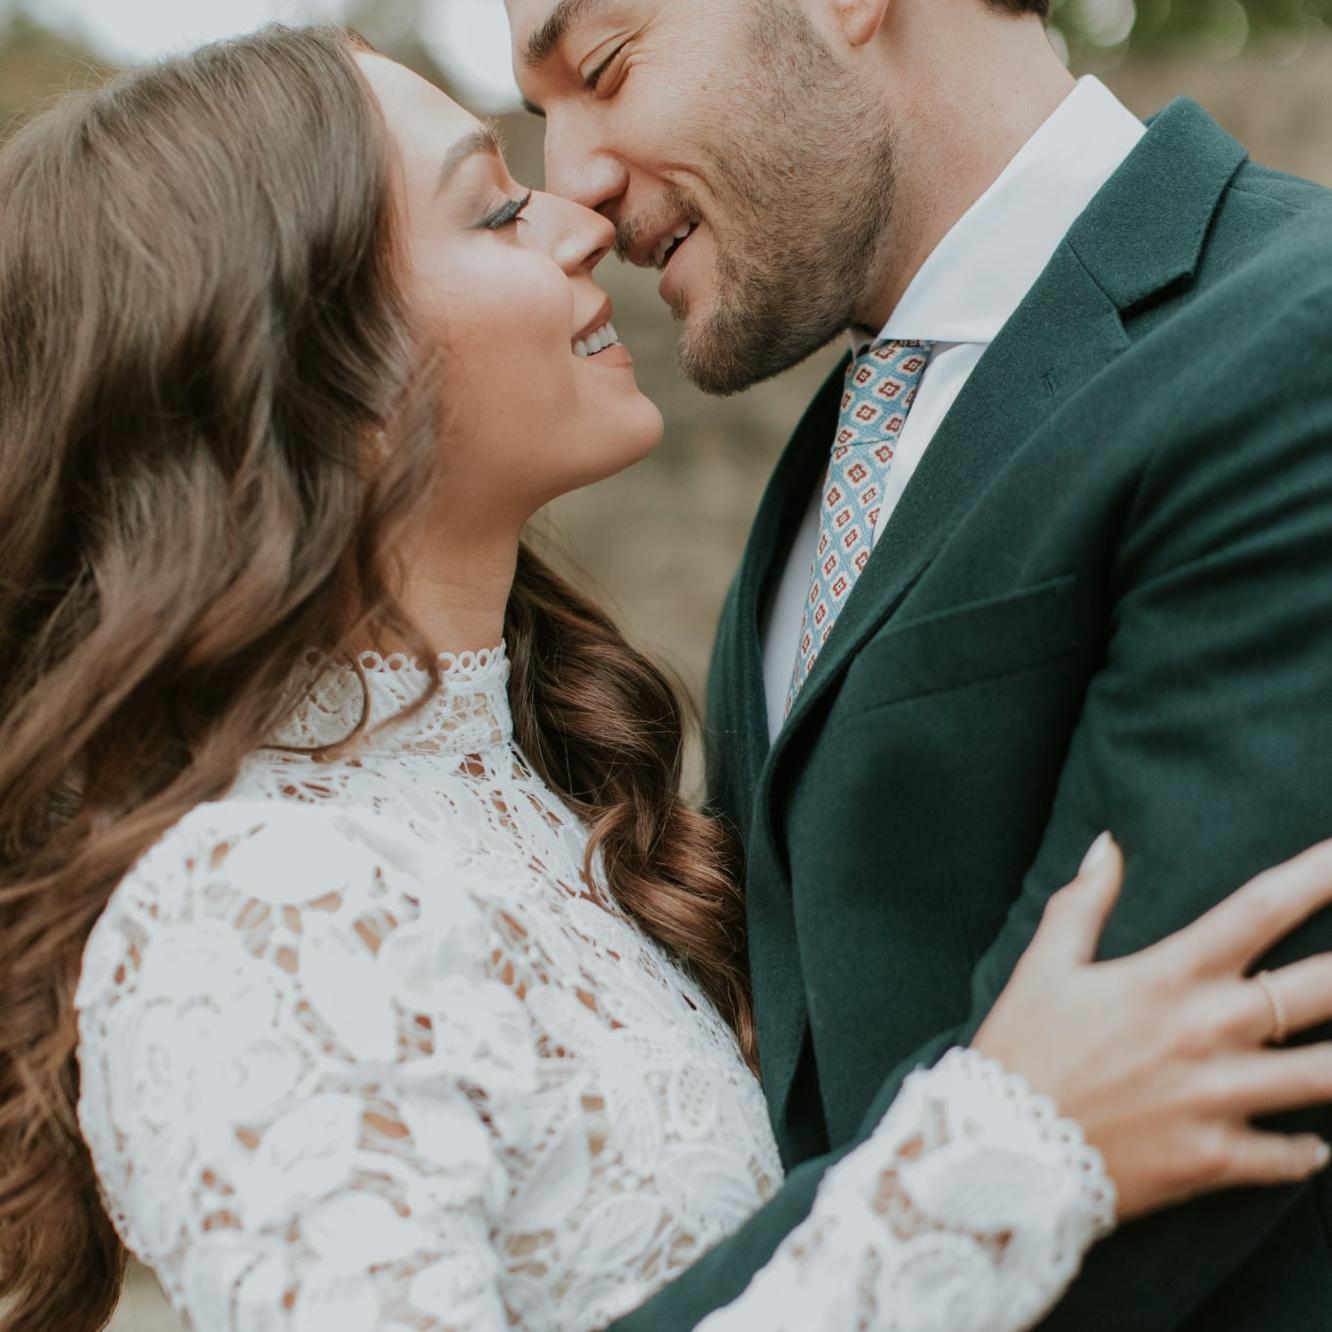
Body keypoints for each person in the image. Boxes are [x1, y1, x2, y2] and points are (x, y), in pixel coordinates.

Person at [0, 23, 1330, 1332]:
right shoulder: (259, 903)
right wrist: (1005, 1160)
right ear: (292, 369)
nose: (573, 204)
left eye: (607, 68)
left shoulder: (571, 801)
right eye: (494, 208)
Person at [503, 0, 1332, 1327]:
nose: (572, 184)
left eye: (602, 67)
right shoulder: (836, 453)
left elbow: (1173, 1143)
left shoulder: (1294, 341)